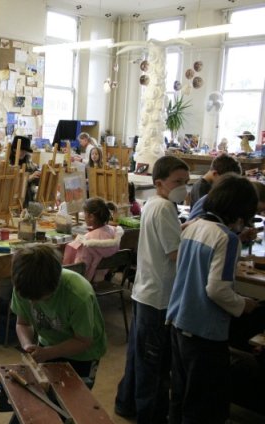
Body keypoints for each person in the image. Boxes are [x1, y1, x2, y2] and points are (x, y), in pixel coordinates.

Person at [167, 174, 259, 424]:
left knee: (180, 397)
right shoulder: (227, 238)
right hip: (203, 332)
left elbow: (187, 272)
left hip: (178, 321)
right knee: (202, 406)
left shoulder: (192, 226)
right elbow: (217, 290)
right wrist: (243, 304)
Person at [115, 155, 190, 423]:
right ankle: (150, 416)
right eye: (177, 182)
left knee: (139, 357)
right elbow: (175, 254)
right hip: (158, 298)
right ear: (159, 183)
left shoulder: (153, 203)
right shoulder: (165, 208)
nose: (183, 187)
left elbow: (165, 236)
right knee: (154, 365)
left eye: (186, 182)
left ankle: (126, 404)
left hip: (145, 292)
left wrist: (186, 227)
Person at [11, 244, 107, 388]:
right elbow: (22, 324)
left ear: (54, 286)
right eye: (28, 298)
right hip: (48, 344)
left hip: (83, 354)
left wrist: (48, 353)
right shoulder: (24, 285)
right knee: (45, 389)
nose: (32, 302)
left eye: (39, 298)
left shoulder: (78, 295)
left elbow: (83, 341)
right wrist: (27, 345)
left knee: (75, 395)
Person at [62, 198, 123, 282]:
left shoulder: (87, 242)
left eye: (85, 213)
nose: (84, 216)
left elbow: (80, 268)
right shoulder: (115, 232)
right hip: (103, 277)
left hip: (86, 281)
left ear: (91, 217)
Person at [9, 135, 41, 207]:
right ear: (14, 149)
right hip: (11, 201)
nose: (24, 152)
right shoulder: (8, 164)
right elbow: (9, 184)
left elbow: (36, 182)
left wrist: (38, 176)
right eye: (21, 150)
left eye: (25, 151)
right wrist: (28, 178)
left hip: (28, 201)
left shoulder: (29, 164)